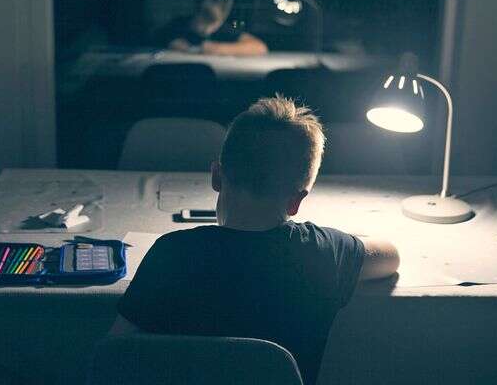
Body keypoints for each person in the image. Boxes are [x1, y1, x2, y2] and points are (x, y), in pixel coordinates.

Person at [110, 96, 399, 385]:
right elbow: (390, 256)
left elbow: (116, 354)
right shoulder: (321, 251)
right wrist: (340, 240)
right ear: (297, 201)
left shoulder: (171, 253)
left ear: (217, 176)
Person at [153, 0, 268, 56]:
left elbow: (259, 47)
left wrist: (216, 48)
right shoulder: (178, 25)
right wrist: (173, 44)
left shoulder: (224, 30)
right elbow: (154, 39)